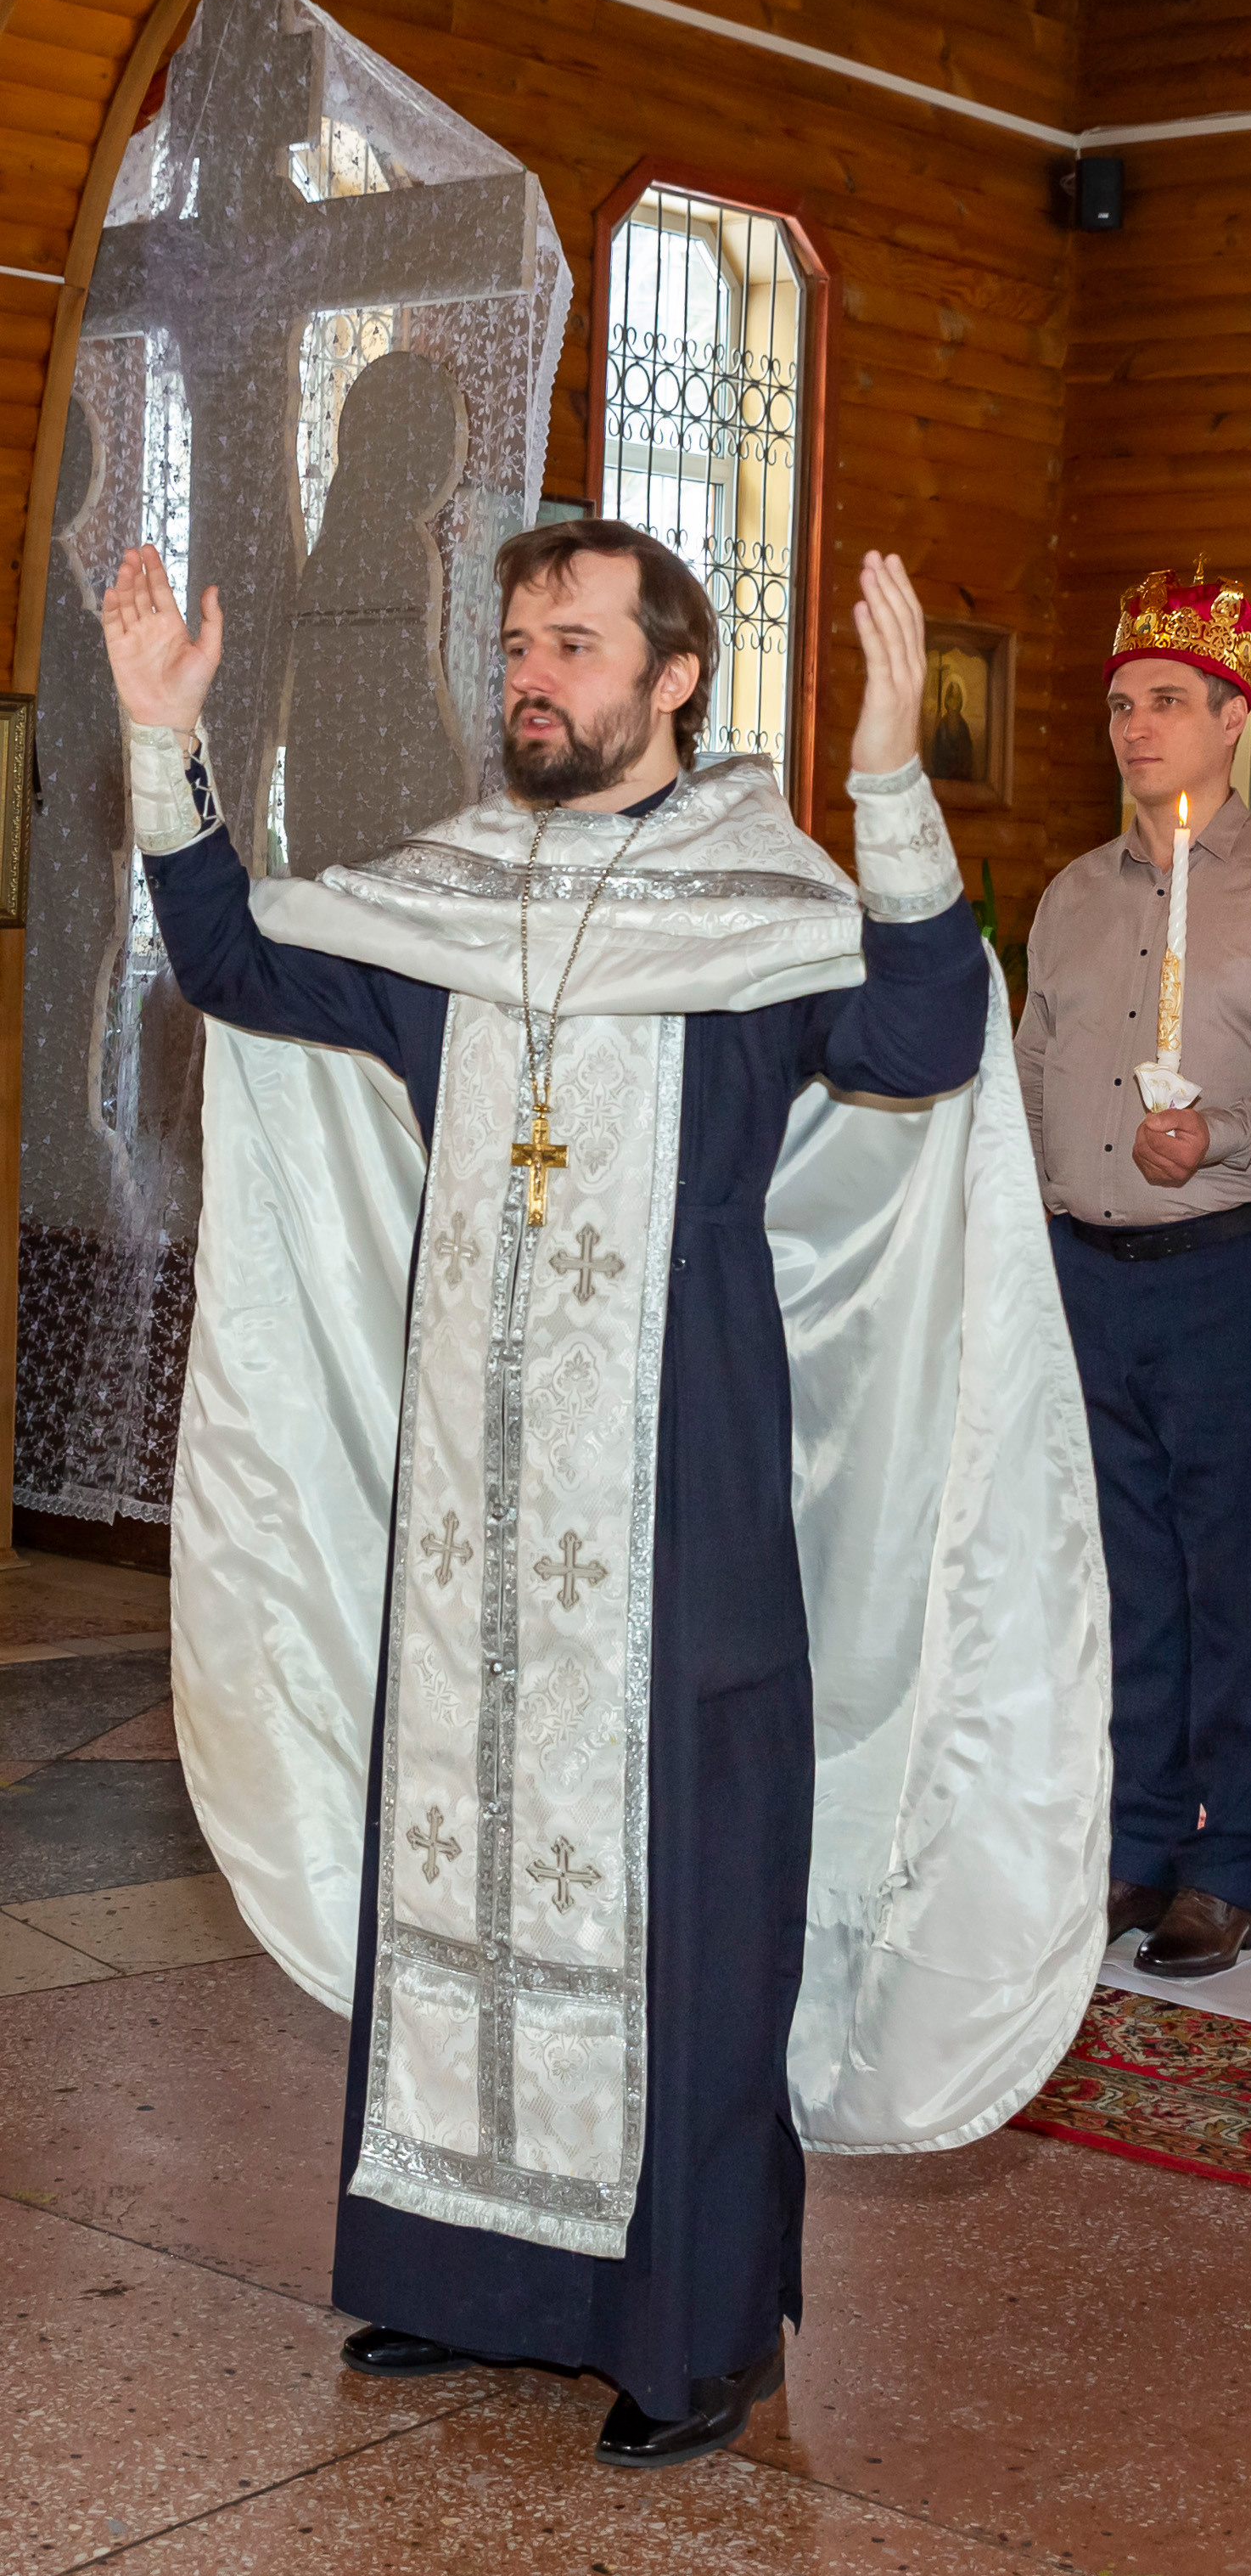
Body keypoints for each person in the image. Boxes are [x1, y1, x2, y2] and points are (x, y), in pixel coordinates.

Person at [101, 521, 1108, 2468]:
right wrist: (167, 746)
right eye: (514, 643)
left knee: (695, 1887)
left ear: (671, 681)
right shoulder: (450, 903)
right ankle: (472, 2274)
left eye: (571, 642)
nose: (529, 674)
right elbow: (236, 956)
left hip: (687, 1491)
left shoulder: (757, 910)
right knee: (458, 1870)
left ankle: (694, 2326)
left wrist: (893, 769)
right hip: (476, 1525)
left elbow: (919, 1028)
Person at [1015, 566, 1251, 1979]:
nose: (1135, 726)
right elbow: (1033, 1062)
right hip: (1084, 1266)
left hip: (1225, 1264)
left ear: (1233, 715)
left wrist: (1217, 1133)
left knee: (1231, 1573)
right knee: (1116, 1575)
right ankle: (1138, 1837)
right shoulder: (1069, 895)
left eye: (1166, 700)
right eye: (1118, 704)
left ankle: (1229, 1862)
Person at [929, 672, 975, 780]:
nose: (954, 702)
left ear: (961, 701)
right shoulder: (942, 725)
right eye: (951, 698)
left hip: (961, 777)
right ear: (947, 700)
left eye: (957, 698)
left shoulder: (963, 726)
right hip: (943, 775)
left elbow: (968, 754)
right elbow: (936, 754)